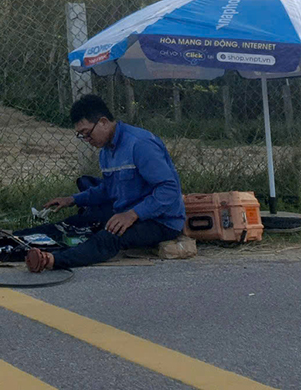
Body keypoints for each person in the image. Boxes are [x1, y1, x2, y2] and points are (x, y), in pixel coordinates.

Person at [21, 94, 185, 273]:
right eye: (82, 136)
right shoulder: (106, 152)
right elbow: (108, 190)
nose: (87, 140)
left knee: (109, 237)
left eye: (87, 133)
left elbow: (169, 189)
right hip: (125, 214)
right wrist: (72, 199)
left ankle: (52, 260)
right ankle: (9, 240)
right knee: (73, 224)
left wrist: (133, 214)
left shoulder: (140, 144)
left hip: (160, 221)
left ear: (103, 122)